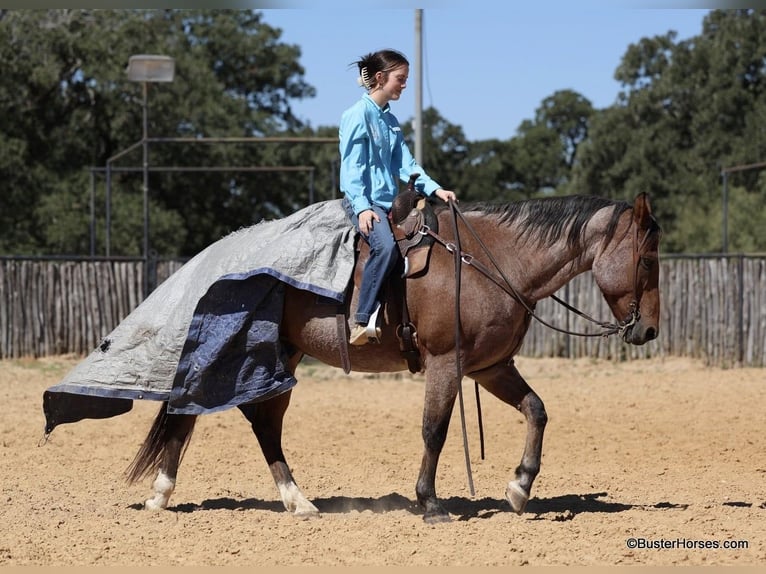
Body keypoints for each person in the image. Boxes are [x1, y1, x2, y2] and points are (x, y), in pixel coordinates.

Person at [339, 48, 457, 346]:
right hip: (364, 203)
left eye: (406, 79)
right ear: (380, 78)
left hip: (390, 203)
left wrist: (436, 189)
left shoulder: (390, 121)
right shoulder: (356, 115)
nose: (404, 84)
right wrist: (363, 207)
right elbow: (350, 169)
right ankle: (361, 319)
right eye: (400, 79)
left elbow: (406, 165)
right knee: (386, 247)